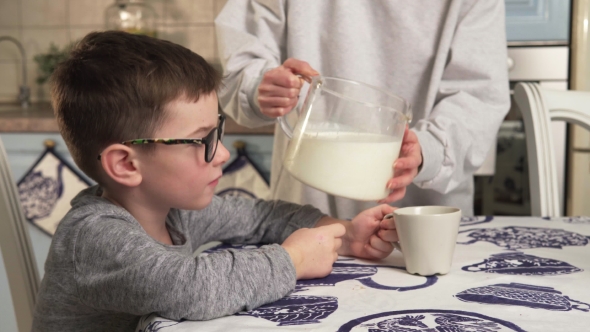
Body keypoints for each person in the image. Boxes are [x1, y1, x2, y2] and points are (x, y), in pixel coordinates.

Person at [32, 31, 399, 331]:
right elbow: (190, 287)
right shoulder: (93, 236)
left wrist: (345, 233)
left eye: (217, 131)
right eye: (203, 139)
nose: (221, 153)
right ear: (126, 165)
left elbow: (260, 217)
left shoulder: (171, 212)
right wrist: (296, 257)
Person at [215, 0, 510, 218]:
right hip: (308, 215)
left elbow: (479, 95)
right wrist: (261, 88)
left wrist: (427, 151)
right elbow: (241, 62)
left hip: (424, 218)